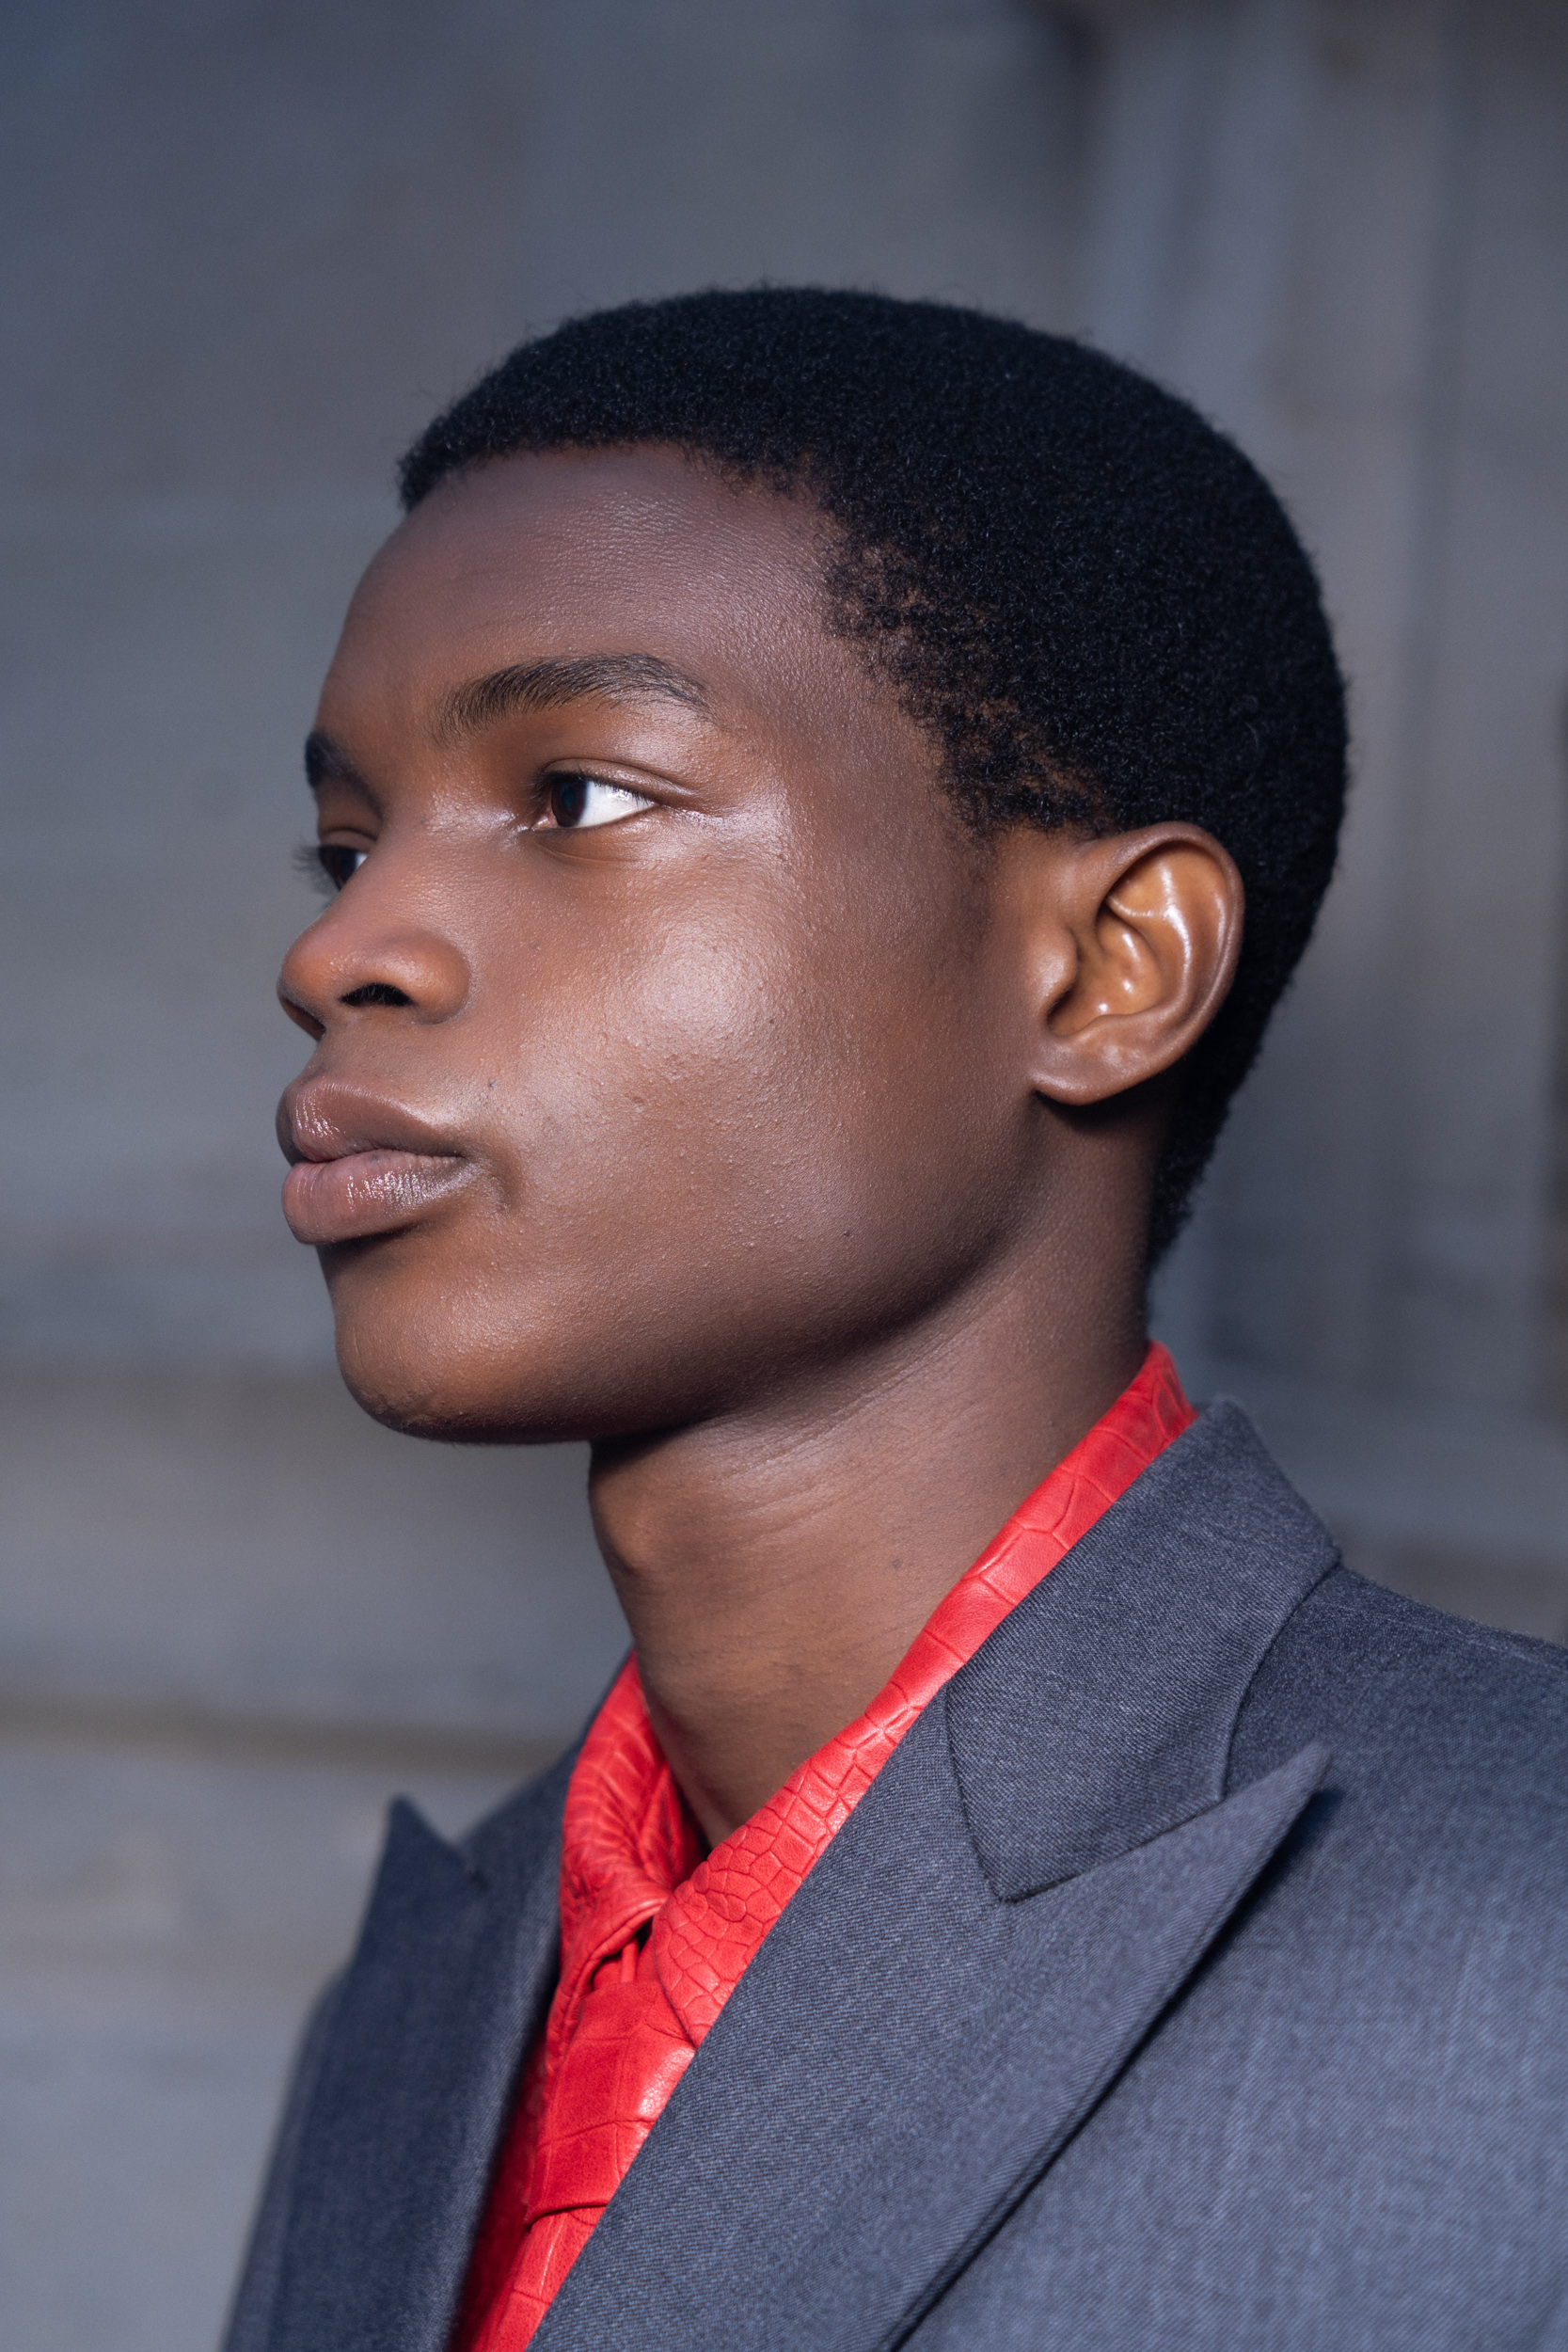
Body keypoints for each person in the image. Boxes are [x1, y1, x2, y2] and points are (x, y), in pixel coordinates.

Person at [225, 291, 1568, 2352]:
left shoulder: (1526, 1916)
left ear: (1107, 970)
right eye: (346, 840)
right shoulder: (422, 1995)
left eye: (580, 797)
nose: (342, 949)